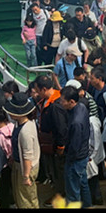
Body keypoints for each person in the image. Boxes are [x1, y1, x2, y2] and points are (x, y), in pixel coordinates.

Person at [34, 74, 69, 205]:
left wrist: (60, 147)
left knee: (58, 171)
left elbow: (61, 129)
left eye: (38, 90)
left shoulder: (56, 105)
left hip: (55, 145)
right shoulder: (48, 101)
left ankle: (60, 195)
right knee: (54, 170)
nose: (37, 93)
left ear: (44, 89)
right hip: (48, 143)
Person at [59, 85, 92, 208]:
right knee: (83, 184)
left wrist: (67, 157)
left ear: (71, 102)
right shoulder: (82, 107)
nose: (61, 103)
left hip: (76, 158)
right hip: (83, 154)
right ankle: (87, 205)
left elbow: (75, 145)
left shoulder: (76, 122)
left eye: (63, 101)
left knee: (73, 190)